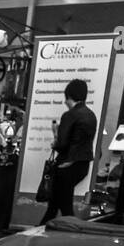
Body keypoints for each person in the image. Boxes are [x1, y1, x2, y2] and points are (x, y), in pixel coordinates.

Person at [40, 78, 97, 224]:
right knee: (56, 203)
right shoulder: (91, 115)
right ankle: (41, 227)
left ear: (68, 95)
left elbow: (62, 144)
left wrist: (55, 135)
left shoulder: (69, 115)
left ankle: (71, 233)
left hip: (66, 166)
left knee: (64, 206)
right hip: (82, 165)